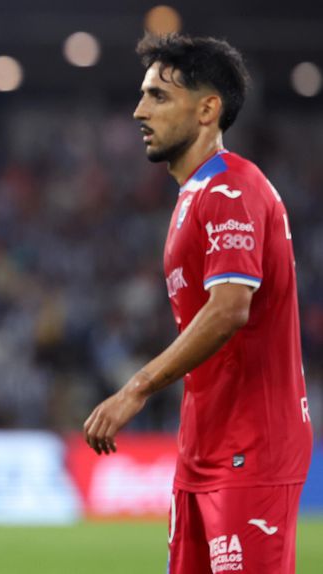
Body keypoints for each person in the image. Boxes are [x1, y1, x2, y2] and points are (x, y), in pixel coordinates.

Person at [83, 35, 312, 573]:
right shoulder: (196, 194)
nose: (140, 111)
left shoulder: (233, 189)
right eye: (143, 95)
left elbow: (230, 309)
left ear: (208, 109)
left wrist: (136, 388)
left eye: (159, 96)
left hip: (252, 447)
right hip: (204, 445)